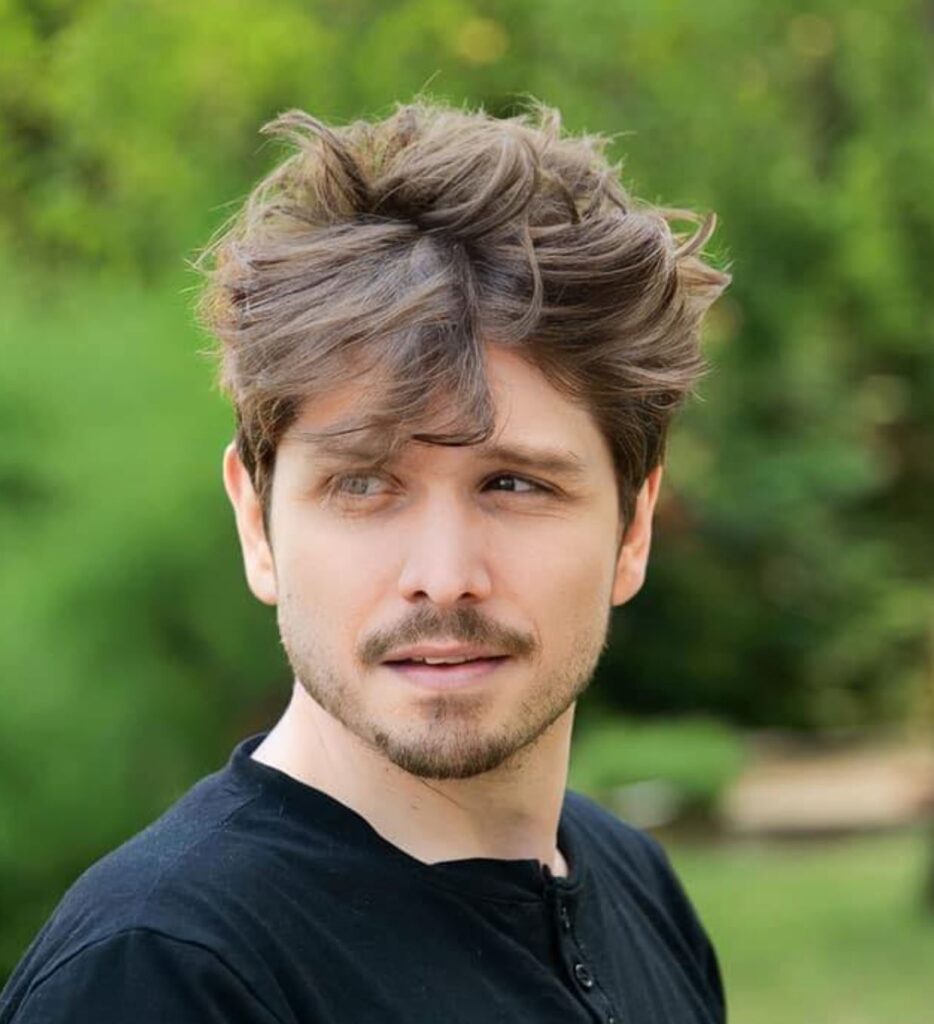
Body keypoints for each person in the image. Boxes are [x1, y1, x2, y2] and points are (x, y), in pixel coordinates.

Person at [0, 99, 731, 1023]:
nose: (445, 574)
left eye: (514, 485)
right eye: (364, 485)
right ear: (256, 524)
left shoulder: (636, 886)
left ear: (634, 529)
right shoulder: (160, 973)